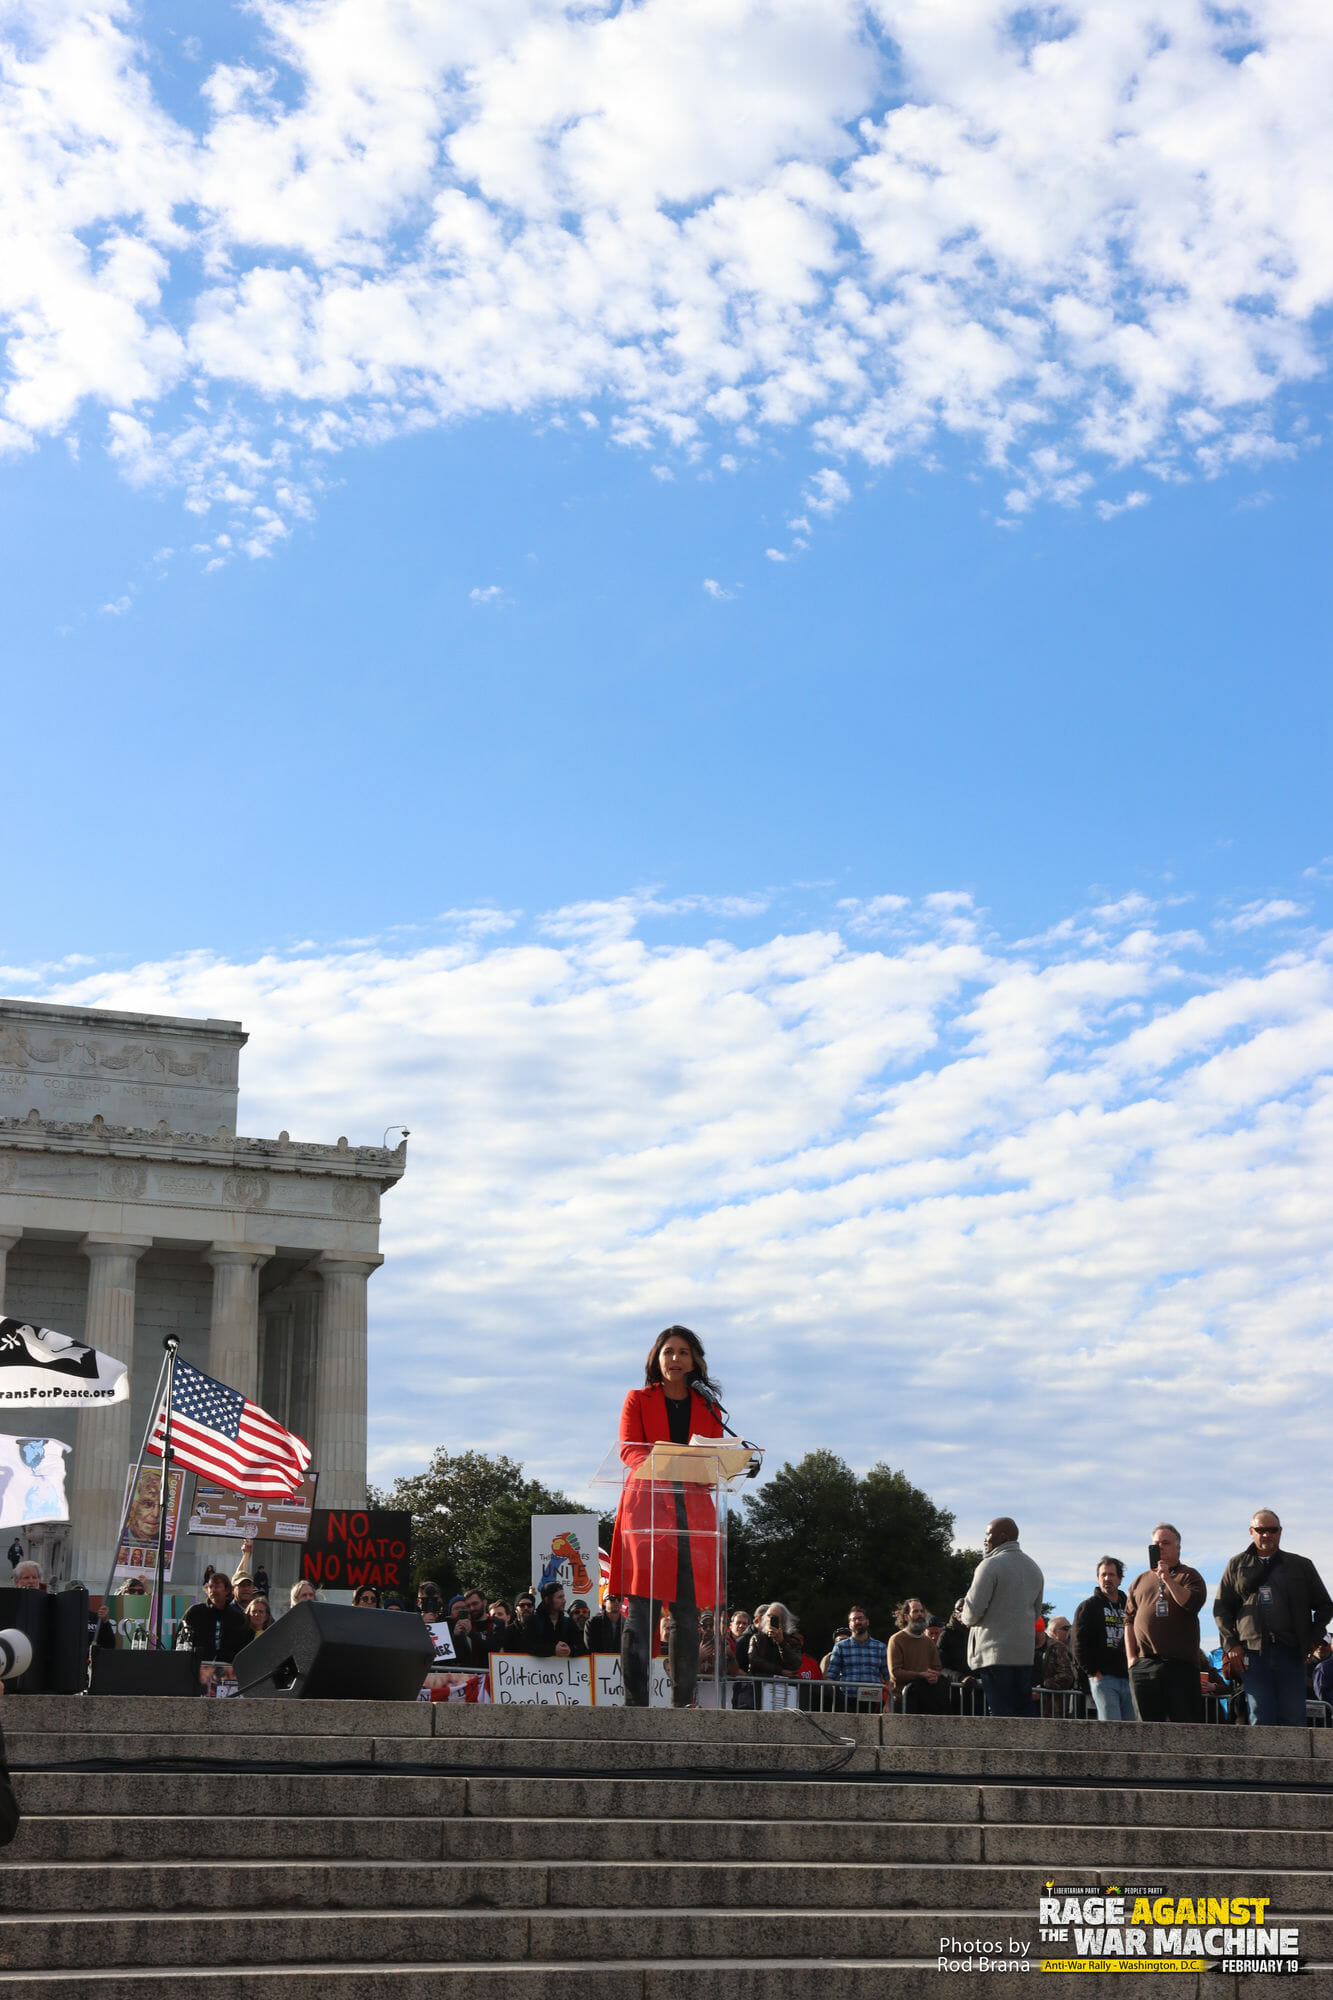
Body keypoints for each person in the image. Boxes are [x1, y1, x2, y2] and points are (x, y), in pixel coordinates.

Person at [608, 1324, 726, 1708]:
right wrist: (669, 1466)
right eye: (669, 1352)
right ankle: (635, 1703)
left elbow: (716, 1458)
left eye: (683, 1352)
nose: (675, 1359)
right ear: (656, 1359)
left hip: (692, 1513)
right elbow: (629, 1451)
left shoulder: (709, 1407)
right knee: (642, 1612)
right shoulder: (638, 1399)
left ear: (695, 1361)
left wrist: (730, 1461)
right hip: (647, 1509)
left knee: (687, 1616)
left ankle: (682, 1703)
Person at [1214, 1510, 1333, 1728]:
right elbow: (1221, 1608)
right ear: (1251, 1532)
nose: (1267, 1534)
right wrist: (1231, 1644)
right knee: (1260, 1716)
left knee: (1294, 1716)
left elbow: (1326, 1606)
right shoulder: (1236, 1565)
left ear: (1280, 1532)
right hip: (1253, 1653)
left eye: (1273, 1530)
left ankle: (1296, 1763)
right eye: (1261, 1530)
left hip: (1291, 1651)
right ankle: (1262, 1763)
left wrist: (1313, 1639)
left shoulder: (1300, 1565)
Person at [955, 1517, 1045, 1717]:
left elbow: (972, 1612)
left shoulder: (990, 1565)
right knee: (1023, 1712)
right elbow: (1036, 1613)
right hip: (1023, 1654)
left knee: (1000, 1713)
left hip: (994, 1653)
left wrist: (964, 1616)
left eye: (988, 1535)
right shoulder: (1034, 1569)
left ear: (1002, 1537)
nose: (985, 1540)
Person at [1124, 1523, 1208, 1723]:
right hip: (1144, 1665)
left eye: (1166, 1543)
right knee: (1147, 1728)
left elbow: (1190, 1604)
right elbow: (1128, 1620)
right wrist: (1131, 1658)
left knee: (1185, 1726)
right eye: (1156, 1544)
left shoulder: (1189, 1576)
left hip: (1180, 1665)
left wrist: (1168, 1579)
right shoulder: (1139, 1580)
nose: (1160, 1547)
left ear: (1177, 1547)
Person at [1074, 1557, 1133, 1722]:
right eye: (1103, 1575)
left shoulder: (1131, 1606)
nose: (1107, 1578)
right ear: (1098, 1578)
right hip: (1104, 1679)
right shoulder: (1088, 1607)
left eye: (1112, 1574)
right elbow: (1078, 1644)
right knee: (1111, 1731)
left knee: (1132, 1732)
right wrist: (1094, 1672)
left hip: (1129, 1677)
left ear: (1120, 1579)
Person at [887, 1599, 949, 1714]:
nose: (920, 1614)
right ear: (906, 1617)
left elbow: (937, 1668)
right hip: (903, 1699)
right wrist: (920, 1675)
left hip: (926, 1699)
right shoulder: (896, 1640)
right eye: (915, 1611)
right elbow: (895, 1672)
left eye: (921, 1611)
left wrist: (934, 1676)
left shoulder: (928, 1642)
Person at [823, 1606, 889, 1708]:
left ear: (867, 1622)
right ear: (849, 1624)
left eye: (860, 1618)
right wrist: (835, 1699)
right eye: (854, 1619)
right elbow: (830, 1677)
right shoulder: (840, 1646)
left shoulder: (880, 1647)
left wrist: (888, 1704)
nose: (857, 1622)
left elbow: (889, 1678)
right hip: (846, 1700)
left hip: (873, 1700)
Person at [181, 1572, 252, 1662]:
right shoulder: (195, 1612)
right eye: (210, 1587)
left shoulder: (237, 1617)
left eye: (217, 1586)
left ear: (227, 1590)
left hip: (227, 1670)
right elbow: (181, 1639)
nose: (213, 1590)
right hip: (197, 1667)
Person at [523, 1581, 587, 1658]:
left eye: (563, 1597)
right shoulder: (532, 1621)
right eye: (560, 1597)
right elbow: (527, 1646)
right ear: (547, 1600)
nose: (564, 1601)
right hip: (538, 1669)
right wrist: (552, 1650)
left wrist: (570, 1650)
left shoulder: (568, 1622)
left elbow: (582, 1647)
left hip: (566, 1669)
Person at [746, 1603, 802, 1679]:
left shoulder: (793, 1641)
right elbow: (754, 1661)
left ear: (783, 1622)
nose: (770, 1619)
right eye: (768, 1616)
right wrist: (780, 1671)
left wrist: (781, 1643)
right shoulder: (757, 1638)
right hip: (760, 1685)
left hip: (784, 1688)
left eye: (774, 1617)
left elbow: (795, 1664)